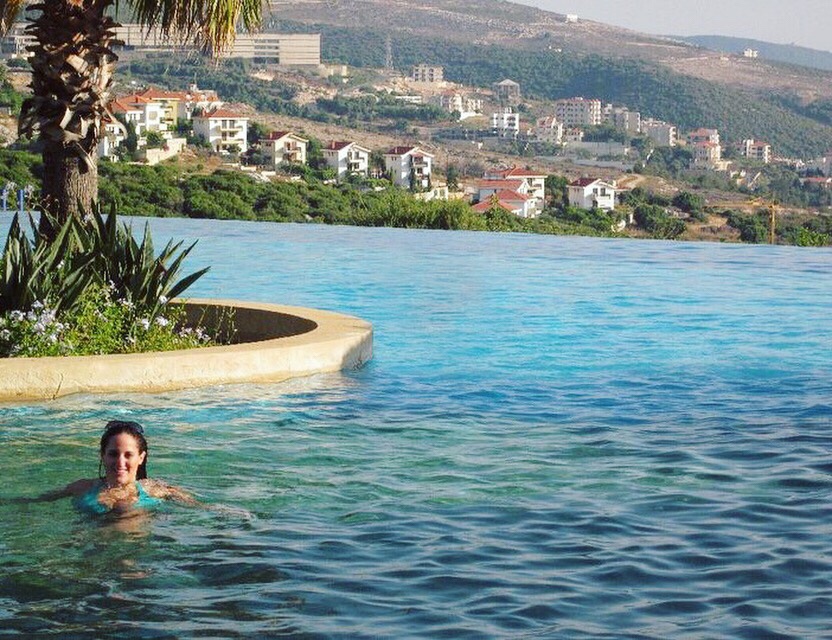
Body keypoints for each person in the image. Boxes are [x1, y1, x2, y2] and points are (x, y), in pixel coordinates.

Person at [33, 420, 197, 515]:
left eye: (128, 455)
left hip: (139, 556)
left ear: (141, 458)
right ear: (102, 455)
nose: (120, 462)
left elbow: (200, 508)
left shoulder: (156, 490)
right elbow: (34, 502)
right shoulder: (82, 488)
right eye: (113, 454)